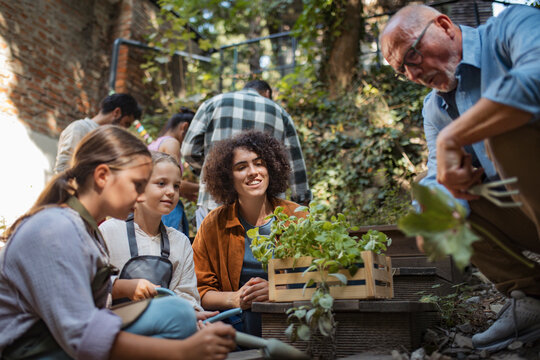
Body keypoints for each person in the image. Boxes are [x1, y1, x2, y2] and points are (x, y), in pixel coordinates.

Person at [380, 4, 540, 351]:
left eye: (412, 55)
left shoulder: (512, 27)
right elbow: (438, 176)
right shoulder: (435, 108)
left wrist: (456, 136)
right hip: (526, 211)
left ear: (444, 25)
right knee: (447, 193)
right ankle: (531, 296)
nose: (411, 74)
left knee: (506, 130)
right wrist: (436, 214)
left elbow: (535, 76)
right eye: (401, 70)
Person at [0, 125, 235, 359]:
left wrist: (120, 287)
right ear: (103, 177)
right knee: (177, 318)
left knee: (177, 313)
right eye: (137, 185)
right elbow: (82, 336)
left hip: (59, 340)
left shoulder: (83, 229)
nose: (141, 195)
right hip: (31, 351)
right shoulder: (56, 229)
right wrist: (183, 351)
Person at [192, 130, 307, 337]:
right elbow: (200, 290)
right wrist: (236, 298)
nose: (253, 172)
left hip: (290, 313)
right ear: (228, 178)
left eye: (259, 163)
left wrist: (276, 290)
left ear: (270, 168)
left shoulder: (297, 216)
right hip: (237, 318)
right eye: (241, 167)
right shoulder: (213, 224)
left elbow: (319, 277)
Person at [181, 79, 312, 229]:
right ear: (267, 93)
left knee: (212, 249)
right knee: (263, 250)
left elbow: (188, 151)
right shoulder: (279, 112)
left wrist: (215, 171)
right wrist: (301, 202)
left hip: (214, 202)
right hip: (265, 208)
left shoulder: (212, 104)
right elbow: (295, 164)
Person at [100, 152, 206, 314]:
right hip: (114, 326)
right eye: (161, 183)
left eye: (176, 186)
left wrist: (193, 315)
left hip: (165, 328)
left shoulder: (181, 242)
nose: (171, 191)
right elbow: (90, 287)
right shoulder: (109, 232)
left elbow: (187, 297)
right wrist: (122, 287)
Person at [54, 93, 142, 173]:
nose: (124, 129)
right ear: (117, 112)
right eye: (126, 124)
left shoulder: (109, 138)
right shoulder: (80, 128)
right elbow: (63, 169)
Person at [148, 110, 199, 237]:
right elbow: (173, 182)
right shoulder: (172, 143)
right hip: (167, 211)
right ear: (184, 127)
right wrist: (204, 188)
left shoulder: (156, 143)